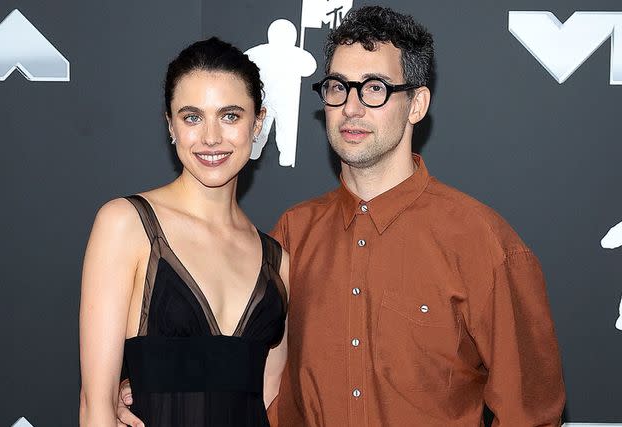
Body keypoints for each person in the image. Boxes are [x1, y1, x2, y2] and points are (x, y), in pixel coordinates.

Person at [118, 6, 565, 426]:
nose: (351, 107)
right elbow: (238, 368)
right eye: (338, 87)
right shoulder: (291, 236)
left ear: (417, 104)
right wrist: (144, 388)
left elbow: (531, 415)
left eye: (374, 88)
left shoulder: (482, 242)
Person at [79, 37, 289, 427]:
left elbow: (268, 395)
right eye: (192, 117)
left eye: (230, 116)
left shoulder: (278, 260)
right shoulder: (126, 224)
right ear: (170, 125)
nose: (211, 137)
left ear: (257, 123)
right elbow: (96, 409)